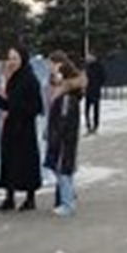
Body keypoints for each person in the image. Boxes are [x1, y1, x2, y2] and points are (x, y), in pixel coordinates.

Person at [0, 45, 43, 211]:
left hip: (25, 128)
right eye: (9, 58)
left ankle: (30, 199)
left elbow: (37, 107)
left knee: (26, 162)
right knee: (9, 161)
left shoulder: (30, 79)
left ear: (23, 59)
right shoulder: (13, 78)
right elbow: (10, 105)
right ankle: (9, 197)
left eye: (15, 58)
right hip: (12, 126)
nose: (11, 61)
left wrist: (19, 109)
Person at [44, 54, 85, 216]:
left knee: (63, 170)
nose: (50, 69)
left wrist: (55, 135)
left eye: (52, 65)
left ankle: (68, 203)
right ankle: (68, 197)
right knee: (60, 168)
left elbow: (63, 119)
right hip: (60, 137)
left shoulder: (66, 95)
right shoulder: (61, 92)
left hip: (63, 139)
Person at [84, 52, 106, 133]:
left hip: (95, 90)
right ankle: (88, 125)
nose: (87, 59)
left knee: (95, 109)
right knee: (87, 110)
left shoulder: (99, 67)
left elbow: (103, 77)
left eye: (89, 57)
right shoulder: (87, 67)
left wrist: (98, 85)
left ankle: (95, 125)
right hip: (88, 91)